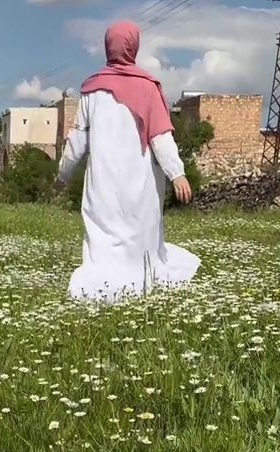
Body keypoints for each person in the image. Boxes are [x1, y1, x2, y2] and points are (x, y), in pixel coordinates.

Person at [55, 19, 200, 304]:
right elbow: (161, 137)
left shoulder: (91, 90)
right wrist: (177, 173)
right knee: (138, 233)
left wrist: (63, 175)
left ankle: (105, 282)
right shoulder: (148, 88)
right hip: (140, 180)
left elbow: (77, 141)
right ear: (134, 46)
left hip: (103, 182)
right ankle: (138, 277)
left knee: (105, 236)